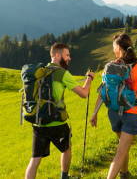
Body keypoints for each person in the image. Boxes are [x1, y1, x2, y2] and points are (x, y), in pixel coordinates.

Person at [26, 43, 94, 179]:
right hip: (56, 122)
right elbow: (83, 93)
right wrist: (89, 79)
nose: (69, 58)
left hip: (38, 121)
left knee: (35, 159)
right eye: (67, 55)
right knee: (66, 149)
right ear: (57, 55)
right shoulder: (62, 73)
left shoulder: (41, 72)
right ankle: (64, 177)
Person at [89, 34, 137, 179]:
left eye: (113, 47)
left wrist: (95, 113)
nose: (113, 50)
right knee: (121, 151)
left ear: (118, 47)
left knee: (122, 146)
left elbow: (103, 91)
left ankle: (124, 174)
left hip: (114, 112)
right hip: (133, 112)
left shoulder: (110, 66)